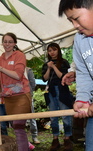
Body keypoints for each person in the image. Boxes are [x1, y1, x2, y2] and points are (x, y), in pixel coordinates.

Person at [58, 1, 93, 150]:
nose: (75, 25)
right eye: (70, 20)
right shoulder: (79, 39)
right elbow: (84, 72)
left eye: (76, 18)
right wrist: (83, 98)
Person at [0, 32, 32, 151]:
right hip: (8, 97)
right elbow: (2, 79)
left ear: (15, 43)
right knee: (16, 128)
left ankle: (23, 148)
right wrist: (2, 90)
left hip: (21, 95)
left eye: (10, 42)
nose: (7, 44)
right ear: (2, 43)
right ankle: (24, 147)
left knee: (18, 126)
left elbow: (18, 75)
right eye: (5, 41)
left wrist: (0, 68)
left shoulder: (19, 55)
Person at [42, 42, 73, 151]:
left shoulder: (64, 62)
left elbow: (63, 76)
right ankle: (55, 139)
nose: (52, 52)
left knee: (66, 115)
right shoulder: (46, 64)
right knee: (53, 117)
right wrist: (49, 68)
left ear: (58, 50)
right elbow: (44, 78)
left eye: (54, 50)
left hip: (62, 90)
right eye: (50, 51)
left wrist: (54, 66)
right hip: (51, 91)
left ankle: (67, 138)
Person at [26, 67, 40, 144]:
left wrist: (30, 93)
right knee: (19, 118)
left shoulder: (28, 70)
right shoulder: (13, 69)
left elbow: (33, 83)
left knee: (31, 116)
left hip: (28, 95)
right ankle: (23, 139)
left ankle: (34, 136)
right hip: (17, 97)